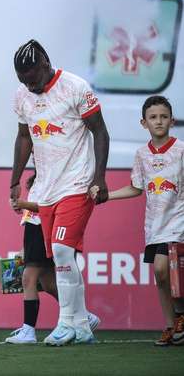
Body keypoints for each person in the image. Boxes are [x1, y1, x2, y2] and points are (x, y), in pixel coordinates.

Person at [9, 39, 110, 346]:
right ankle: (81, 326)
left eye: (33, 79)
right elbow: (24, 137)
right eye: (23, 81)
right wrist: (15, 180)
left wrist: (100, 178)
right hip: (45, 191)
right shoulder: (22, 96)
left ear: (45, 64)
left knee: (64, 252)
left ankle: (66, 322)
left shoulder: (76, 87)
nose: (30, 85)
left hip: (77, 184)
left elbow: (100, 131)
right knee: (60, 256)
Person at [102, 95, 184, 346]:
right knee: (161, 278)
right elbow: (136, 188)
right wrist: (107, 196)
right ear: (143, 122)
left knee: (165, 270)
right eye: (153, 117)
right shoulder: (141, 155)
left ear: (171, 120)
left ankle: (180, 316)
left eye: (163, 116)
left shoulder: (181, 150)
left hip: (178, 223)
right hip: (153, 226)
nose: (159, 121)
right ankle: (171, 326)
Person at [6, 173, 100, 344]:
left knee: (28, 278)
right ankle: (83, 315)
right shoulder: (40, 177)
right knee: (49, 284)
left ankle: (28, 330)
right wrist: (21, 207)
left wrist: (23, 204)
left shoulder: (56, 176)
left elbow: (48, 207)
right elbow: (36, 210)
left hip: (44, 230)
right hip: (34, 229)